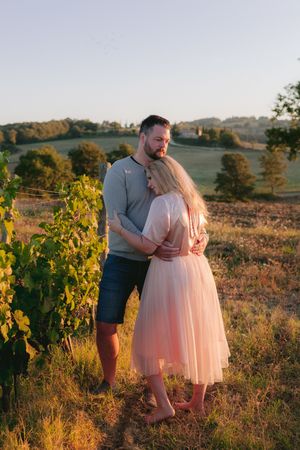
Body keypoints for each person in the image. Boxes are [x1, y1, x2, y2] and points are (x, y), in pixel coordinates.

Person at [108, 155, 230, 424]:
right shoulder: (193, 202)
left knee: (149, 340)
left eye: (151, 179)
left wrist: (118, 229)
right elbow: (202, 235)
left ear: (162, 177)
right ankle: (197, 402)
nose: (149, 185)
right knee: (198, 334)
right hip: (197, 271)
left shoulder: (163, 203)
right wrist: (203, 240)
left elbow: (147, 245)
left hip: (169, 272)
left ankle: (164, 406)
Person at [95, 115, 209, 397]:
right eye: (158, 139)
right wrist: (151, 244)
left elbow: (190, 209)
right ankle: (108, 381)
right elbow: (117, 216)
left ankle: (152, 388)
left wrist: (202, 237)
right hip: (122, 259)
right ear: (142, 136)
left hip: (161, 265)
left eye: (167, 141)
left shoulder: (167, 170)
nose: (163, 146)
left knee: (160, 328)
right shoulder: (119, 171)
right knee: (105, 322)